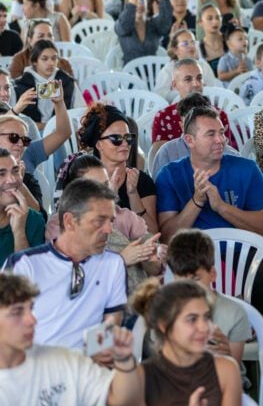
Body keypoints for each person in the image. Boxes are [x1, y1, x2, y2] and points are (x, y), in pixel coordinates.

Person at [3, 178, 126, 350]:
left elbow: (112, 322)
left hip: (89, 369)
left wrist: (93, 356)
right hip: (33, 367)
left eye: (111, 221)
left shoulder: (113, 264)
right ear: (69, 221)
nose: (109, 230)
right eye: (99, 221)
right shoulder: (25, 264)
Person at [0, 273, 142, 404]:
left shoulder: (63, 359)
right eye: (17, 312)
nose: (32, 320)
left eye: (31, 309)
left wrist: (124, 360)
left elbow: (121, 400)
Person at [47, 153, 162, 295]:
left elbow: (155, 267)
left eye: (106, 185)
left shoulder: (125, 216)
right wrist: (121, 259)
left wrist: (149, 258)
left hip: (140, 304)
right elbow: (66, 277)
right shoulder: (60, 224)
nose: (104, 192)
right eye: (94, 187)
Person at [156, 106, 263, 242]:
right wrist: (197, 201)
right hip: (191, 260)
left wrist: (221, 207)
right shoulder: (169, 175)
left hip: (244, 256)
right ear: (189, 140)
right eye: (211, 134)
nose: (220, 140)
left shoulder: (247, 168)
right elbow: (166, 238)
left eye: (221, 133)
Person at [131, 279, 243, 404]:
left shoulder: (226, 370)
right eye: (192, 319)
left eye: (206, 317)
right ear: (164, 325)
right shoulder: (141, 379)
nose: (204, 327)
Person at [166, 229, 250, 366]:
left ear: (212, 274)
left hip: (223, 381)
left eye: (195, 279)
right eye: (181, 281)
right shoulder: (166, 311)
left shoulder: (235, 313)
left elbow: (234, 367)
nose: (189, 288)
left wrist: (226, 353)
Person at [78, 103, 158, 233]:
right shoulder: (85, 183)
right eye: (116, 138)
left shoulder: (142, 181)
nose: (125, 143)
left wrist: (133, 194)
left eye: (128, 138)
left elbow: (153, 233)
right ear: (99, 145)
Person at [14, 40, 82, 130]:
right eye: (44, 59)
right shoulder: (19, 85)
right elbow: (11, 116)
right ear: (35, 61)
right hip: (29, 134)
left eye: (54, 58)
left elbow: (80, 112)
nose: (51, 63)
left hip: (63, 135)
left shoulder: (67, 82)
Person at [0, 147, 43, 264]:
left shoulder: (33, 220)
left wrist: (19, 232)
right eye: (1, 174)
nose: (12, 179)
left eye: (15, 171)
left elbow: (30, 278)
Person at [117, 0, 171, 65]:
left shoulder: (153, 24)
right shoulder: (121, 24)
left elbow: (166, 18)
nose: (139, 5)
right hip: (130, 74)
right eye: (136, 2)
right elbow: (125, 23)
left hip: (153, 73)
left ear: (147, 6)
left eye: (142, 2)